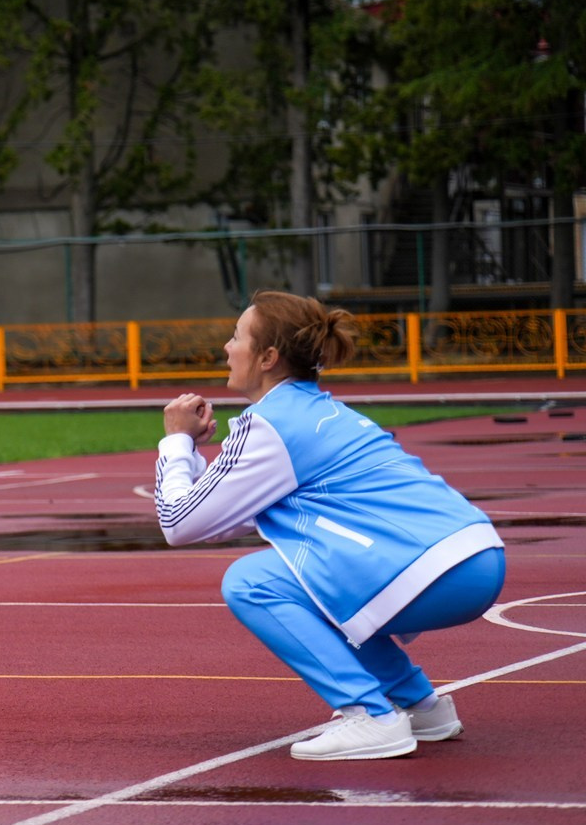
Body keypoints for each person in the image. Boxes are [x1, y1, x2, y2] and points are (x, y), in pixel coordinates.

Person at [155, 291, 507, 761]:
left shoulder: (270, 426)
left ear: (268, 357)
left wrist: (176, 442)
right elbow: (218, 514)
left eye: (236, 336)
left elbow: (179, 522)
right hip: (472, 556)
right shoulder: (311, 411)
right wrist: (190, 452)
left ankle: (372, 716)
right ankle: (420, 708)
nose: (226, 346)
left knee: (253, 582)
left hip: (436, 568)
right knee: (307, 576)